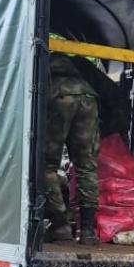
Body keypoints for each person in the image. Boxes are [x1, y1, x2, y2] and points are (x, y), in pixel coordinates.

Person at [44, 52, 100, 245]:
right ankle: (87, 232)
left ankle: (61, 226)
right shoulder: (78, 66)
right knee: (87, 168)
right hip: (88, 96)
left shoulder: (43, 62)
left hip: (59, 96)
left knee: (46, 167)